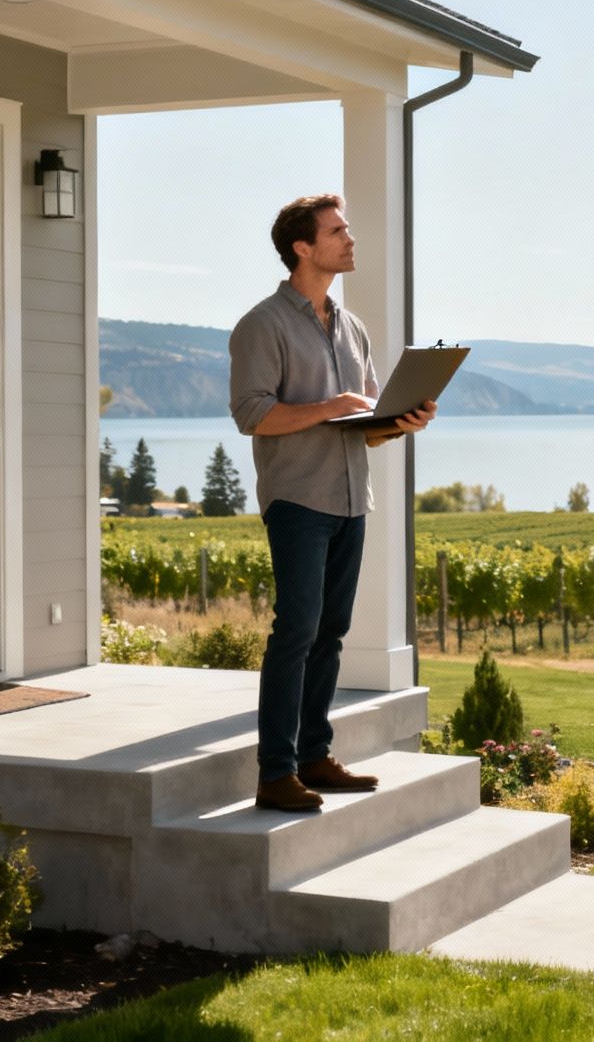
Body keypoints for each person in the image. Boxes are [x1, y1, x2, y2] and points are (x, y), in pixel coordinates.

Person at [229, 194, 436, 812]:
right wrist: (329, 407)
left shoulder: (353, 328)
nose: (350, 239)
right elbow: (252, 415)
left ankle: (314, 756)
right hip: (297, 498)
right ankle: (275, 773)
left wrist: (401, 422)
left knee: (331, 632)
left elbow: (363, 427)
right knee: (295, 631)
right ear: (302, 246)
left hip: (350, 499)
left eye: (348, 229)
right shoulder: (262, 324)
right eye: (337, 231)